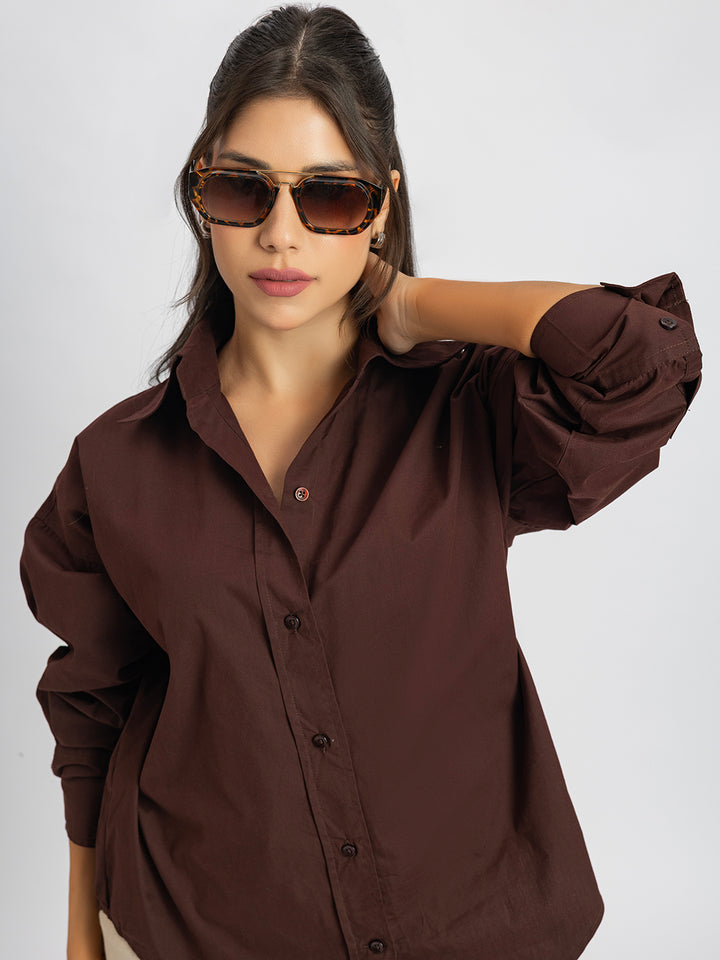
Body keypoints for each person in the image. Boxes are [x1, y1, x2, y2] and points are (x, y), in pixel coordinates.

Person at [19, 5, 702, 960]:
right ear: (201, 193)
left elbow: (644, 365)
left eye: (330, 198)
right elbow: (94, 709)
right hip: (193, 931)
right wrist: (79, 937)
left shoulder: (469, 409)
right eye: (243, 188)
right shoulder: (116, 464)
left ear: (381, 204)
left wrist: (414, 301)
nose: (281, 235)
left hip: (473, 931)